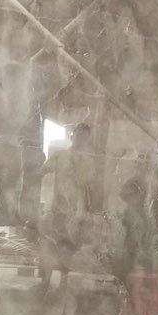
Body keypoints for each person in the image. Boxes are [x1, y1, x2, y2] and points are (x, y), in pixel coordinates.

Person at [38, 123, 94, 292]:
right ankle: (45, 282)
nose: (80, 138)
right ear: (72, 134)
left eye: (84, 136)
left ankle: (63, 283)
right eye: (78, 134)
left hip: (75, 211)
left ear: (87, 139)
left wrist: (75, 166)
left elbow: (85, 182)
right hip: (57, 208)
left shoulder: (88, 160)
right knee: (50, 244)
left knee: (68, 248)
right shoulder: (60, 154)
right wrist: (39, 165)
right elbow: (44, 169)